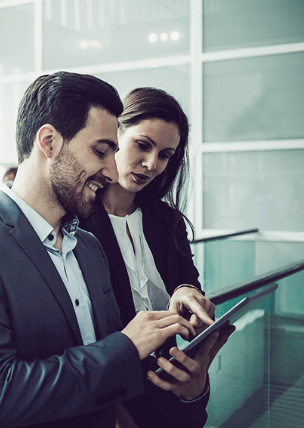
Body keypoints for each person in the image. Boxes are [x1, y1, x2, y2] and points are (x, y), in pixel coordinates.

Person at [0, 71, 198, 427]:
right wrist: (127, 346)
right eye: (101, 151)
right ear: (49, 142)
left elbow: (110, 378)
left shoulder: (87, 247)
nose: (111, 172)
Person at [78, 87, 235, 428]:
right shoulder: (77, 226)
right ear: (115, 136)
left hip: (169, 385)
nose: (151, 164)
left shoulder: (168, 221)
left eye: (165, 154)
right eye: (143, 145)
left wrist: (186, 294)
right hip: (107, 400)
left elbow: (188, 284)